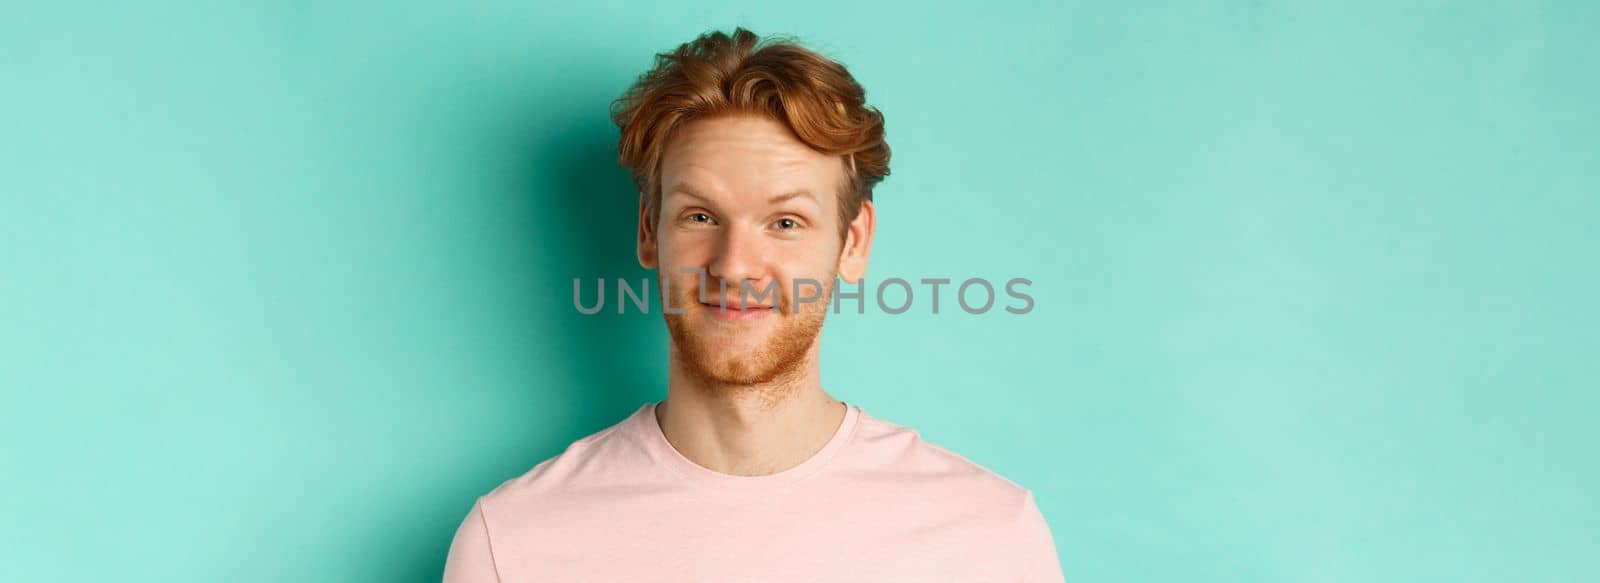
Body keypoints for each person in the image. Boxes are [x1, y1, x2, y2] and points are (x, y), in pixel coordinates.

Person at [443, 28, 1064, 582]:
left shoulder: (988, 538)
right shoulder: (514, 541)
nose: (735, 265)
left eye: (786, 221)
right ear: (647, 231)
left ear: (853, 242)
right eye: (700, 215)